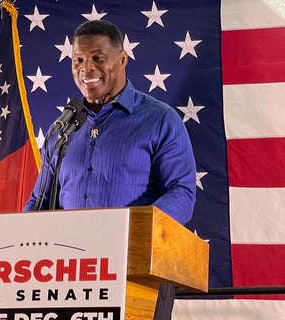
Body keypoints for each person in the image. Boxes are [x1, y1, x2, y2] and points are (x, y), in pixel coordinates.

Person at [24, 19, 196, 319]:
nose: (85, 69)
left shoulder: (160, 120)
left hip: (138, 273)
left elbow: (182, 194)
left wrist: (128, 236)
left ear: (122, 59)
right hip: (67, 277)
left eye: (97, 58)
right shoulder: (63, 128)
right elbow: (38, 201)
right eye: (78, 60)